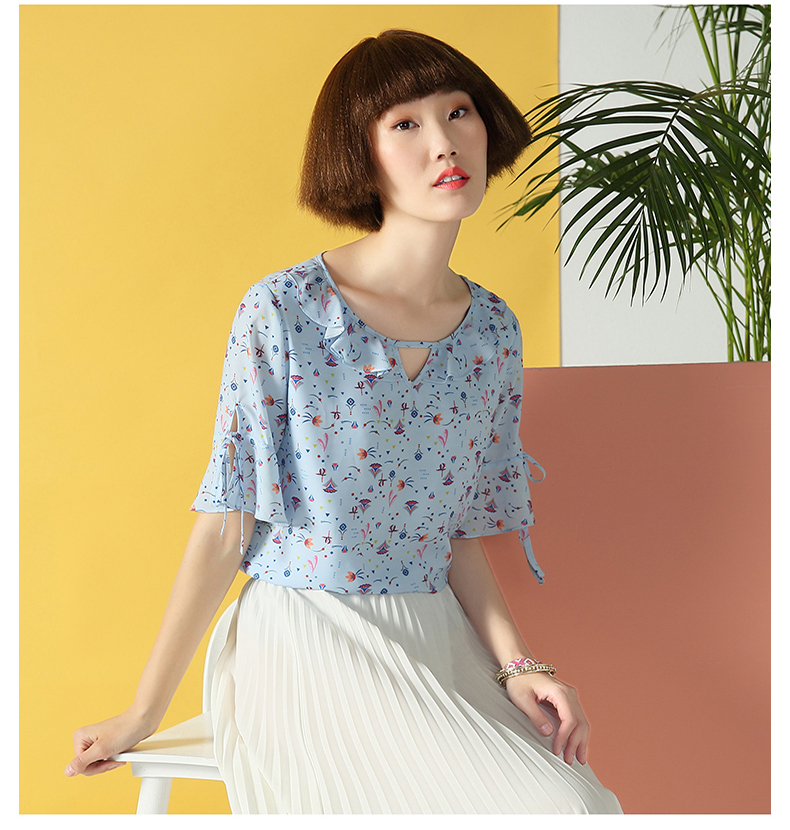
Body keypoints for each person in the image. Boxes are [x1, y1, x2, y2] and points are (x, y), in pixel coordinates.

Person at [66, 30, 623, 814]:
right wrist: (143, 711)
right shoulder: (284, 310)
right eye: (406, 124)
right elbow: (226, 525)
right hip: (303, 636)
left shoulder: (493, 330)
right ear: (360, 154)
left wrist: (518, 666)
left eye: (458, 111)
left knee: (584, 807)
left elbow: (457, 531)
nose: (443, 142)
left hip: (436, 640)